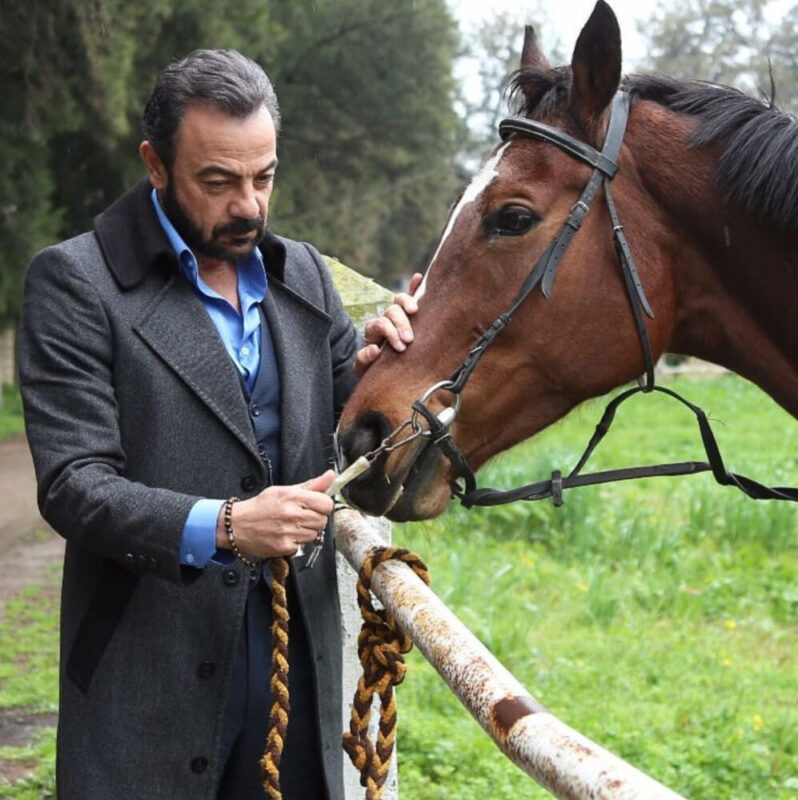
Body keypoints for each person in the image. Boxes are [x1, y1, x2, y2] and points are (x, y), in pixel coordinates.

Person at [18, 49, 419, 800]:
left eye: (263, 177)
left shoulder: (304, 274)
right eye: (218, 182)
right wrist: (227, 526)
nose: (248, 206)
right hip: (150, 667)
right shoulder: (75, 282)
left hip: (294, 659)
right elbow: (73, 486)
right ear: (155, 165)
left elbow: (349, 420)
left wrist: (391, 365)